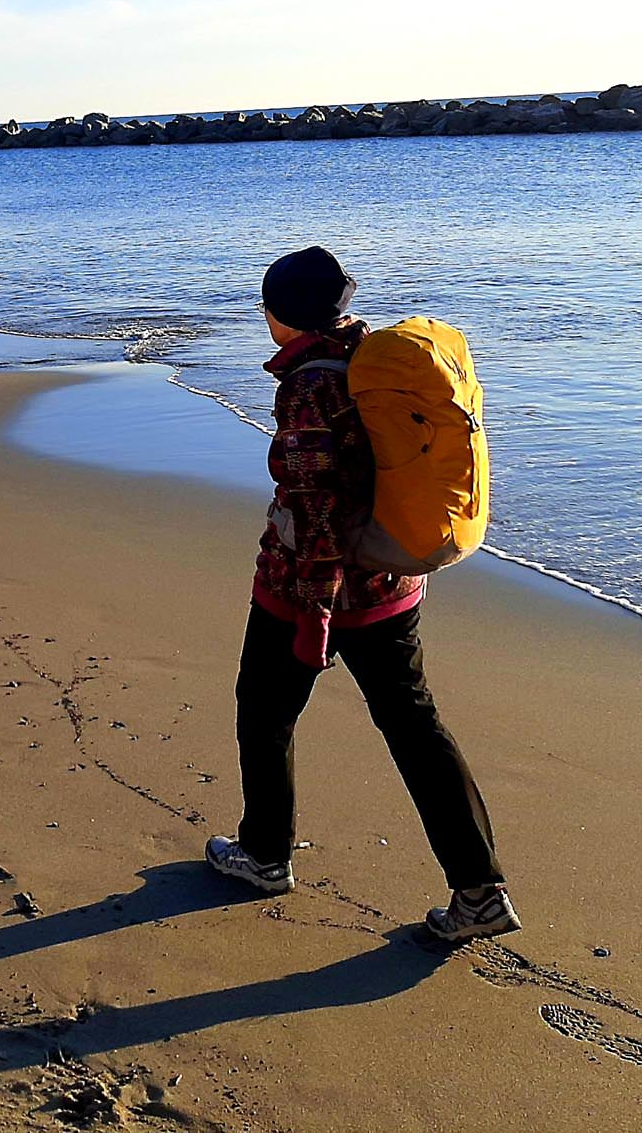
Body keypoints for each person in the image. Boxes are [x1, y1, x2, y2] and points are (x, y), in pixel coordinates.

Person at [205, 245, 520, 944]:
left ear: (280, 316)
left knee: (264, 714)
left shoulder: (310, 386)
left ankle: (263, 856)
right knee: (414, 728)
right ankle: (480, 889)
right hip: (392, 582)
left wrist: (314, 613)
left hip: (309, 592)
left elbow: (316, 504)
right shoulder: (374, 359)